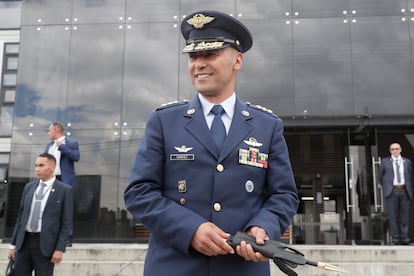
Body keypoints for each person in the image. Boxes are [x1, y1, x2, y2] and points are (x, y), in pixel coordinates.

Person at [124, 10, 299, 276]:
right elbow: (139, 192)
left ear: (237, 60)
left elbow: (284, 195)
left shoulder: (267, 126)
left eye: (210, 55)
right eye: (193, 57)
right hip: (174, 266)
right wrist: (190, 229)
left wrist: (262, 228)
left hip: (241, 268)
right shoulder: (164, 121)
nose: (199, 64)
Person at [8, 153, 73, 275]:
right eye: (36, 165)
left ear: (52, 167)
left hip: (46, 246)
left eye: (41, 165)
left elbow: (66, 223)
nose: (37, 169)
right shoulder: (29, 187)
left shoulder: (64, 190)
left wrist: (60, 248)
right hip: (24, 243)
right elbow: (20, 218)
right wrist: (13, 244)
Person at [378, 142, 412, 245]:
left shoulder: (407, 162)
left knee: (404, 216)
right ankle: (395, 238)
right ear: (390, 151)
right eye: (392, 149)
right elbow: (380, 176)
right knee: (392, 216)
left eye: (397, 149)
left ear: (400, 149)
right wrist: (387, 186)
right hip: (391, 191)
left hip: (404, 190)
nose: (395, 151)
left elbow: (409, 175)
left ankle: (404, 237)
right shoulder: (385, 162)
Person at [45, 122, 80, 187]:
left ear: (56, 130)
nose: (48, 133)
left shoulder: (71, 143)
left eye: (49, 131)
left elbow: (76, 157)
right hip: (50, 179)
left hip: (64, 180)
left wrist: (62, 147)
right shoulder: (49, 146)